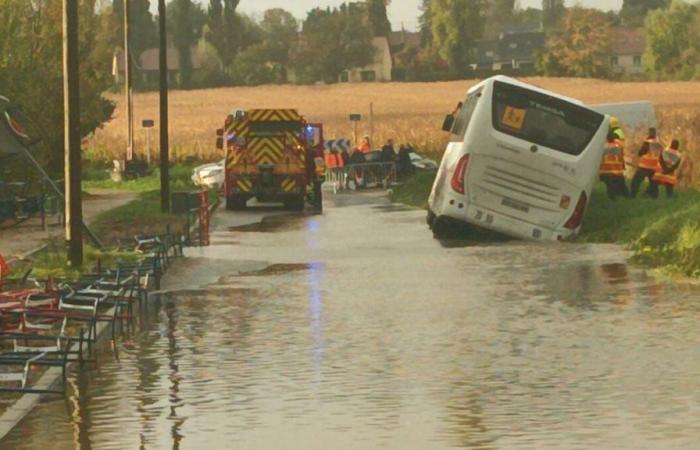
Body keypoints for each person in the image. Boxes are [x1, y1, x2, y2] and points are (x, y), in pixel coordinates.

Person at [630, 127, 663, 198]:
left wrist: (639, 153)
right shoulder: (658, 144)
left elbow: (642, 152)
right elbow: (661, 155)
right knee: (653, 183)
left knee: (636, 181)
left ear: (650, 133)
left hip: (644, 166)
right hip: (653, 167)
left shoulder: (648, 142)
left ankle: (632, 195)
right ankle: (654, 197)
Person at [599, 130, 629, 200]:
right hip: (617, 171)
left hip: (606, 171)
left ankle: (613, 199)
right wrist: (623, 167)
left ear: (607, 138)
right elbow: (621, 158)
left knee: (610, 187)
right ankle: (627, 197)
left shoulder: (604, 147)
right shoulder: (618, 146)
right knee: (622, 186)